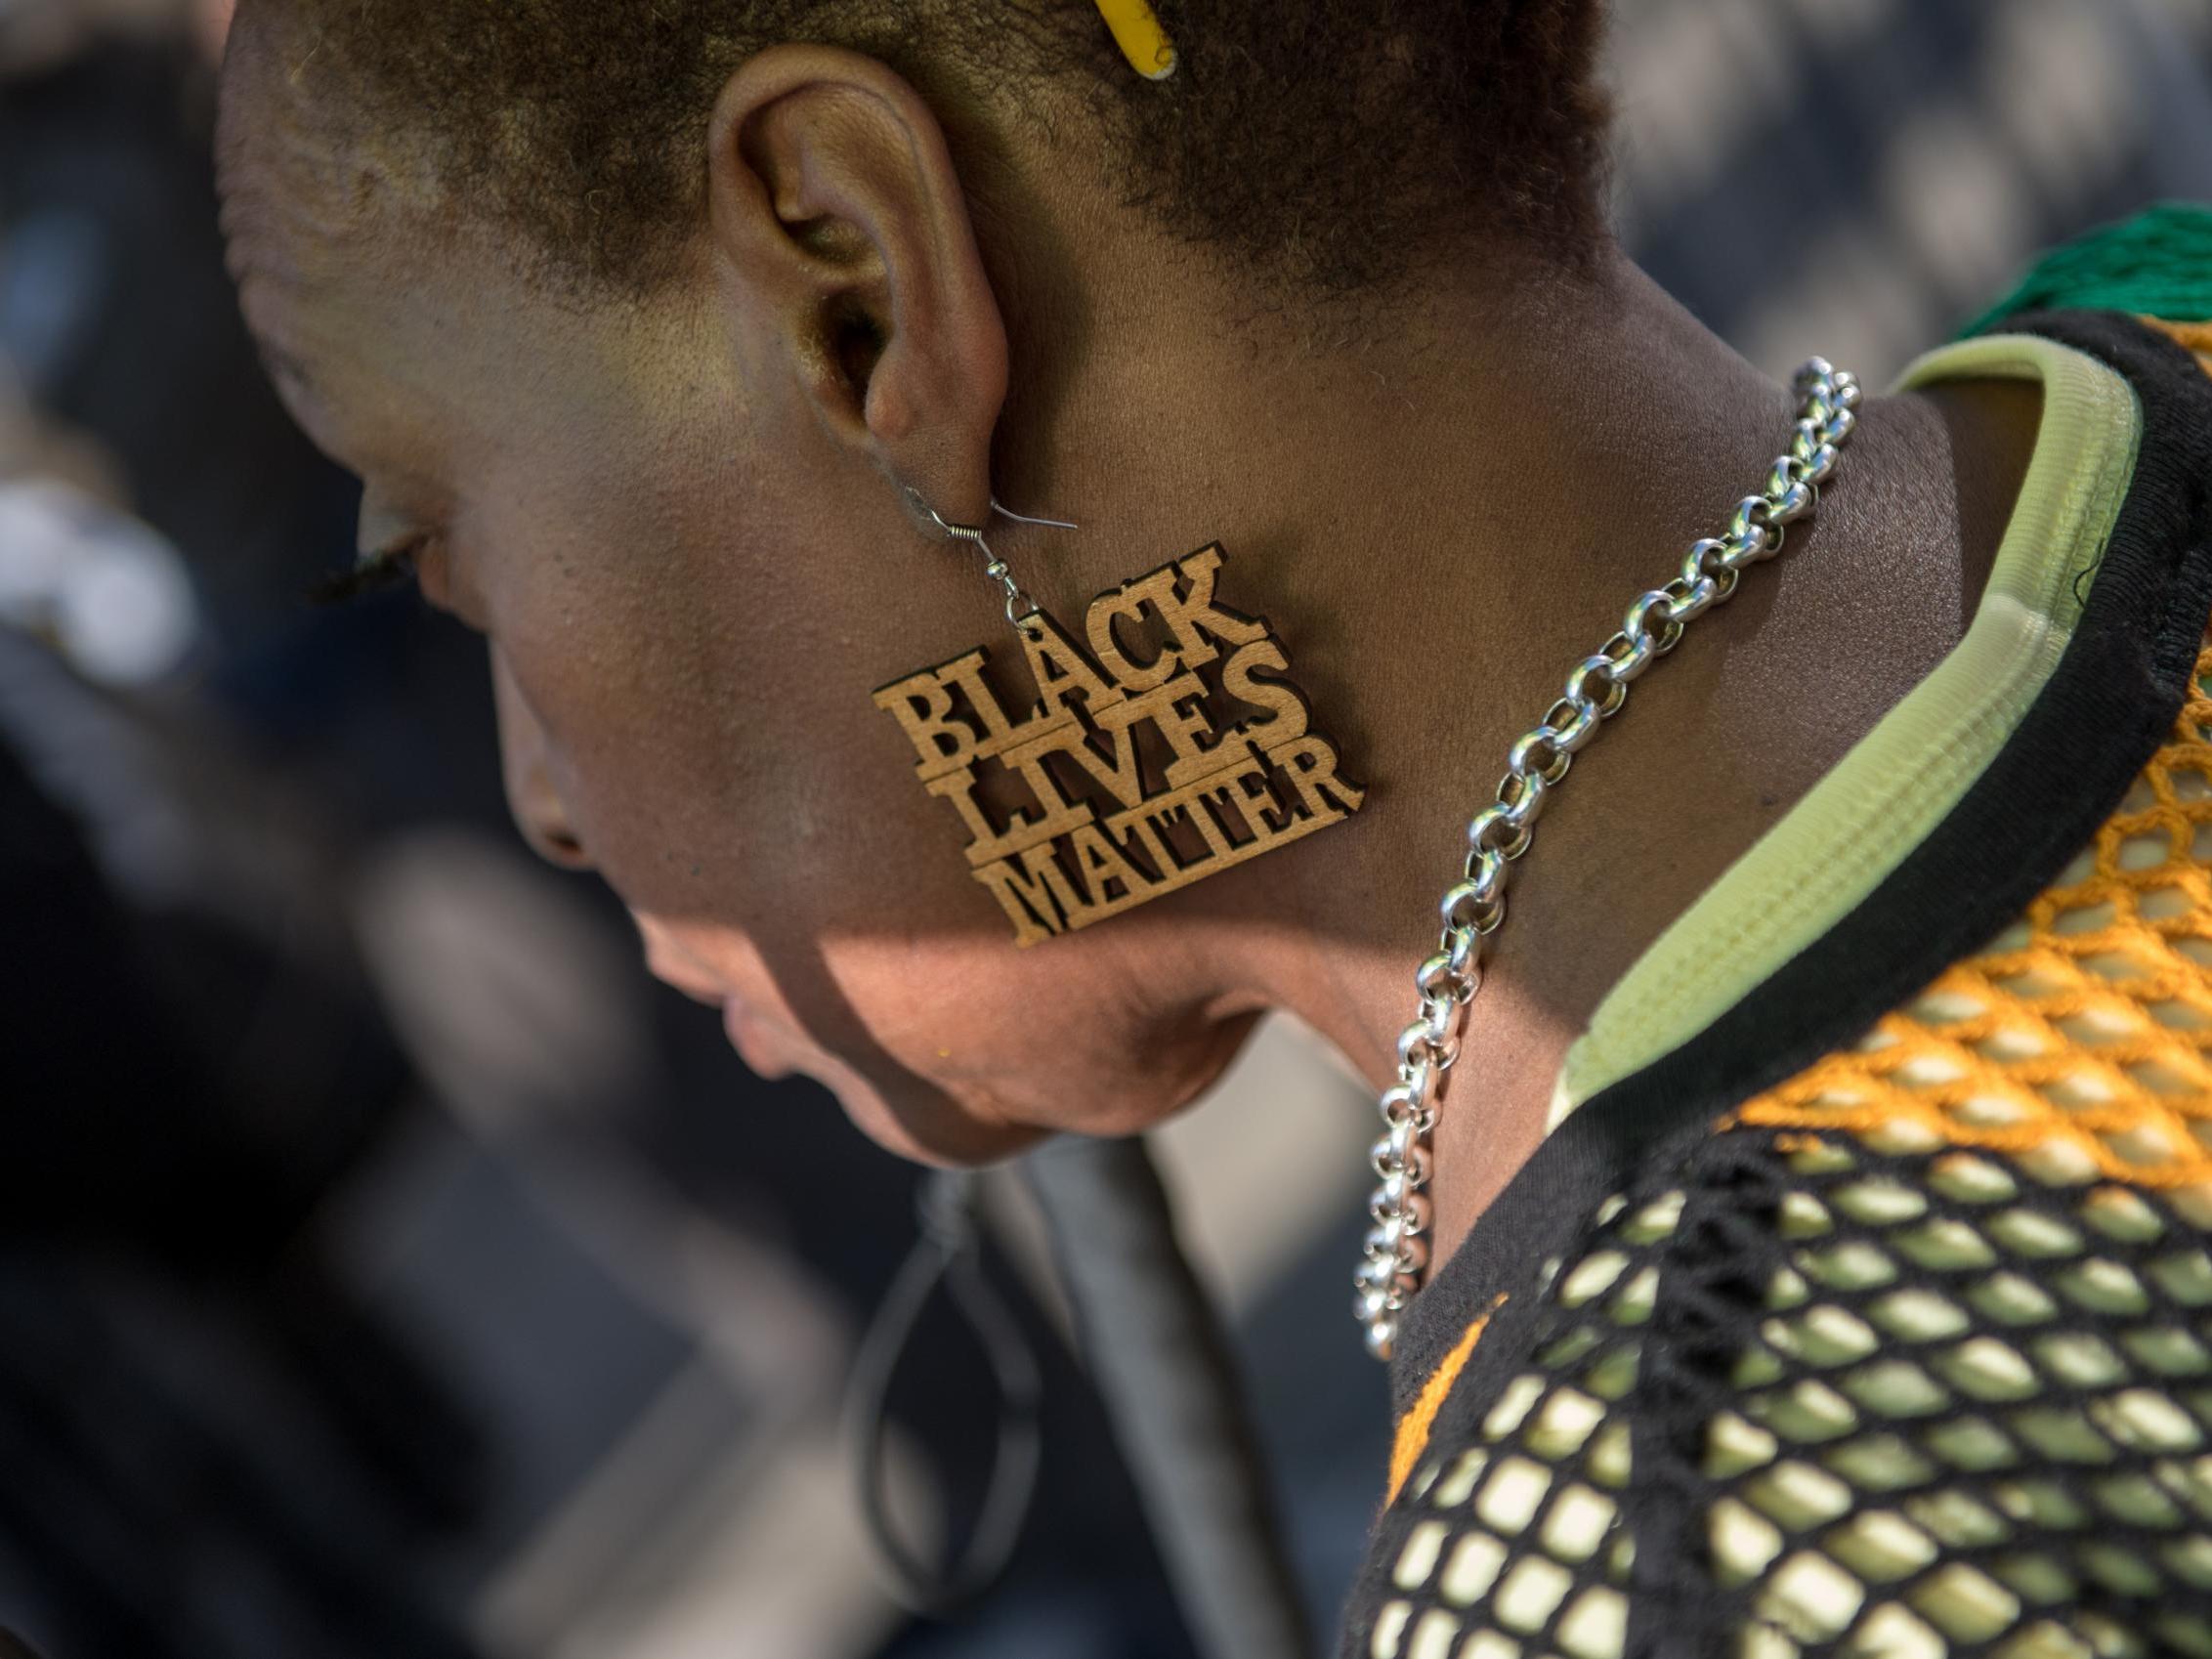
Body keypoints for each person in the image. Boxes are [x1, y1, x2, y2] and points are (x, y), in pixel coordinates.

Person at [210, 0, 2212, 1652]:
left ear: (858, 287)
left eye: (440, 552)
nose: (541, 802)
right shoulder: (2162, 305)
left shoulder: (1688, 1544)